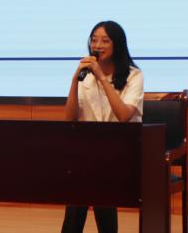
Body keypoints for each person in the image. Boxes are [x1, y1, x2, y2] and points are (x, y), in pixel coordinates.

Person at [61, 20, 143, 233]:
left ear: (118, 44)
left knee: (91, 176)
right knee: (89, 175)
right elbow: (70, 119)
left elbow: (124, 115)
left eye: (105, 41)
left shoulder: (134, 76)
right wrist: (74, 81)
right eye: (94, 40)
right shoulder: (85, 78)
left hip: (124, 150)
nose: (97, 45)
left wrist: (102, 78)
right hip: (93, 153)